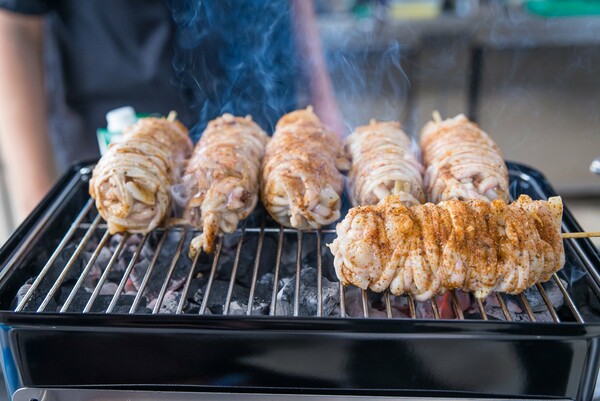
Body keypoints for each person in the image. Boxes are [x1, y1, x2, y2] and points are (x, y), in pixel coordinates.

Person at [0, 0, 343, 222]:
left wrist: (323, 104)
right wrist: (35, 203)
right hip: (128, 145)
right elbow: (14, 23)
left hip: (272, 138)